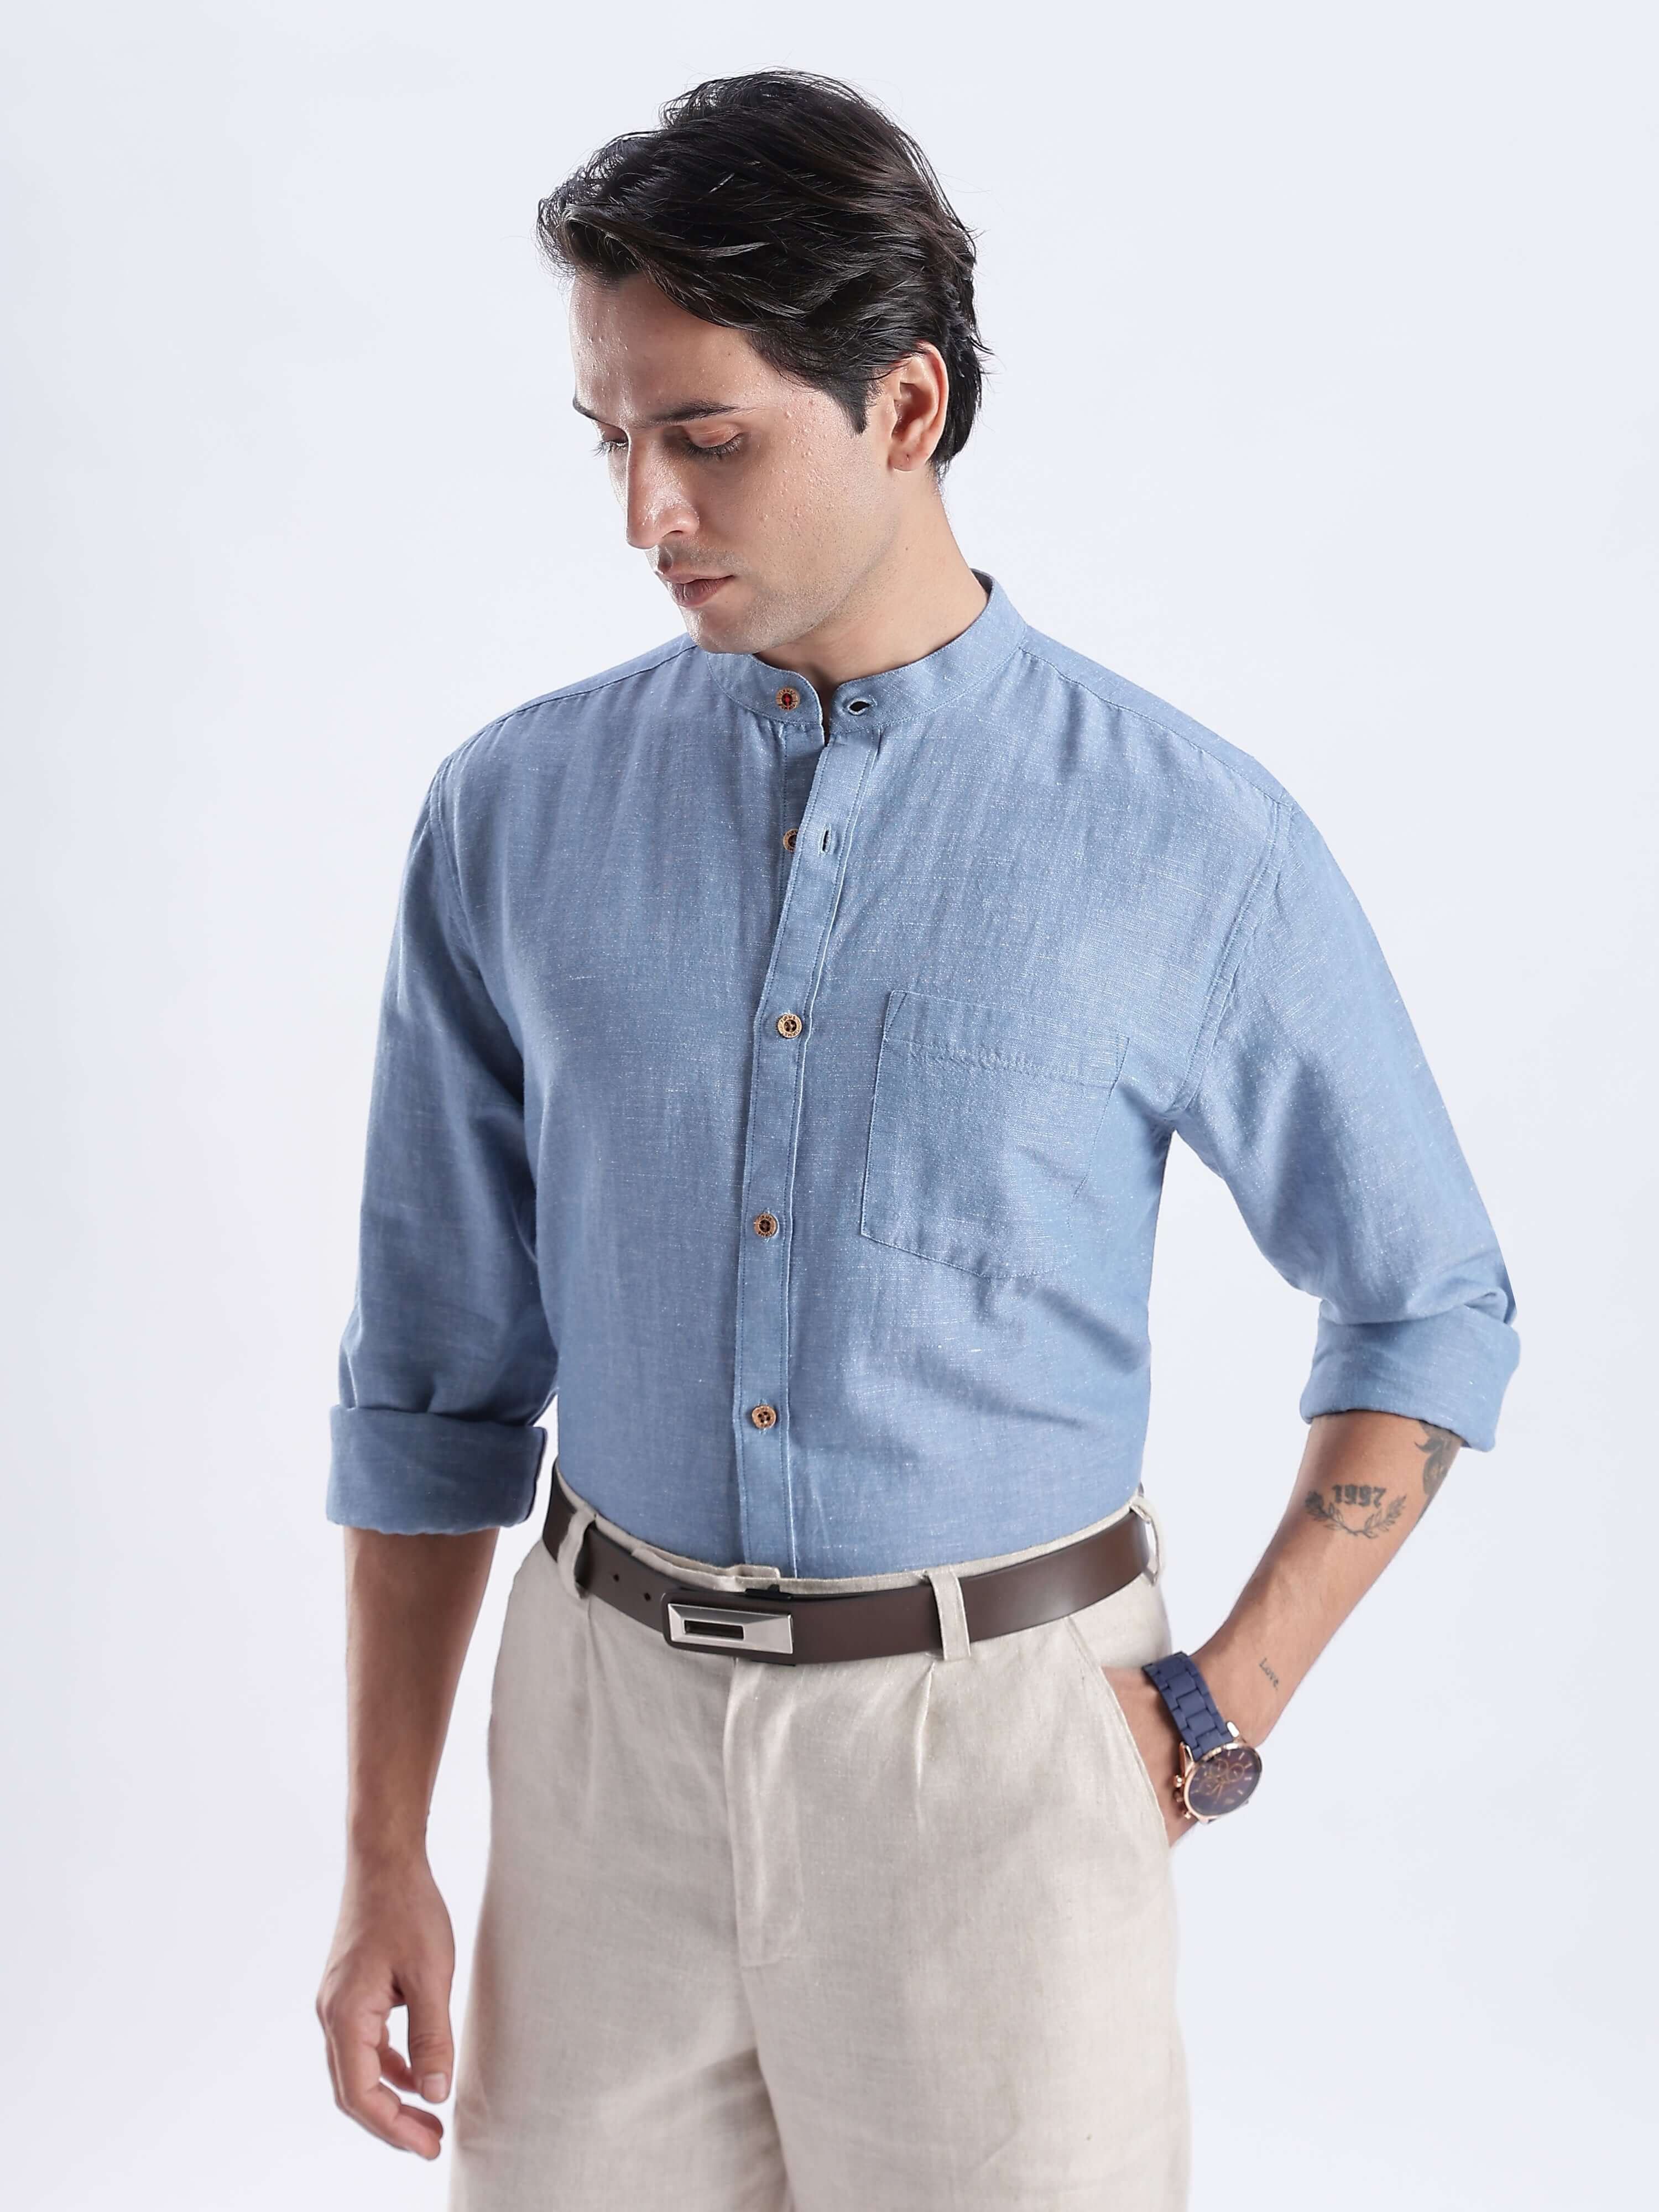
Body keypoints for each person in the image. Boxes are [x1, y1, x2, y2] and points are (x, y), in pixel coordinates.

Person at [314, 67, 1519, 2212]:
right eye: (611, 439)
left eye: (707, 438)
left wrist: (1219, 1707)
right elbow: (429, 1382)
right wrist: (382, 1847)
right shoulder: (510, 818)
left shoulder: (1186, 843)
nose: (646, 513)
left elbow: (1428, 1306)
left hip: (1003, 1778)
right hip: (597, 1766)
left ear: (905, 406)